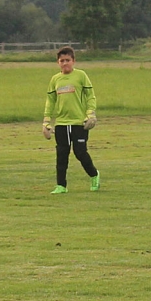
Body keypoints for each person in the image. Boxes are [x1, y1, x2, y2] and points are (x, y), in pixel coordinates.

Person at [42, 46, 100, 193]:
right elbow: (50, 101)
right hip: (61, 123)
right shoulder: (55, 79)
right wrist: (46, 122)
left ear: (73, 61)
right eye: (62, 61)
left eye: (67, 60)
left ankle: (94, 175)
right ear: (58, 63)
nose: (65, 63)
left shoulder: (81, 76)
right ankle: (61, 185)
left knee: (80, 152)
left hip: (79, 122)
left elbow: (90, 96)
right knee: (62, 154)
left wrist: (90, 114)